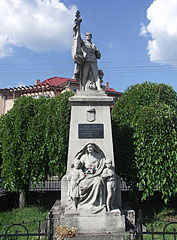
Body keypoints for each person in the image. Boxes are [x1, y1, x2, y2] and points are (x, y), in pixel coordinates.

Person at [75, 143, 106, 213]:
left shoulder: (98, 156)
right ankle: (83, 203)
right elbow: (78, 166)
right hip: (86, 177)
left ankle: (96, 203)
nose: (89, 148)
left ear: (94, 147)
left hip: (96, 176)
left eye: (91, 147)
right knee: (82, 185)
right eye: (88, 147)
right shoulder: (84, 157)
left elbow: (103, 163)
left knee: (98, 181)